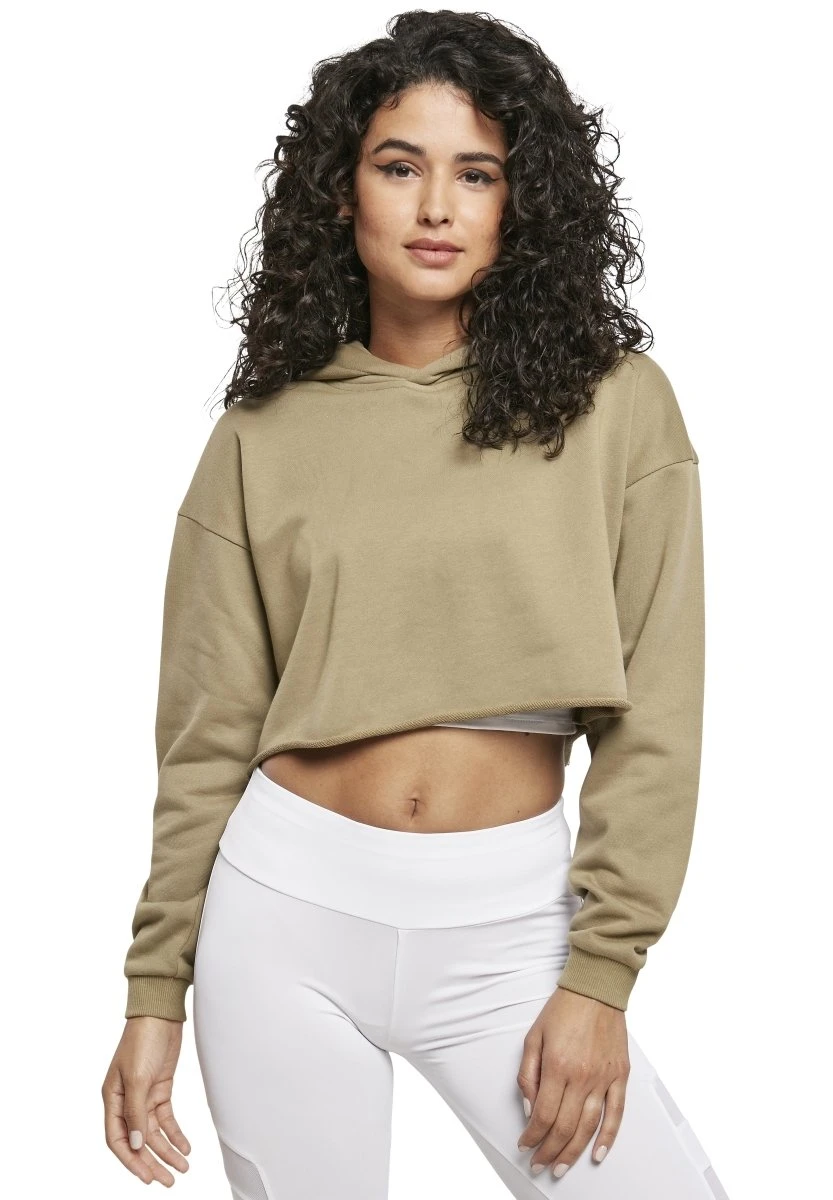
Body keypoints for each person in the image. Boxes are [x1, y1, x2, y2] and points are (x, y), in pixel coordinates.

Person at [102, 10, 730, 1198]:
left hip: (511, 934)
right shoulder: (262, 434)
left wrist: (600, 978)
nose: (436, 207)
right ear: (342, 194)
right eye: (399, 167)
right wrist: (153, 994)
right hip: (280, 921)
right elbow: (203, 740)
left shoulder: (615, 406)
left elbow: (656, 717)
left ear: (520, 201)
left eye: (475, 173)